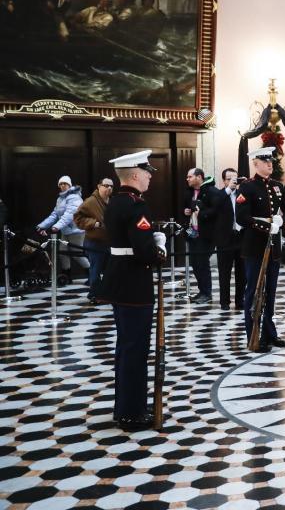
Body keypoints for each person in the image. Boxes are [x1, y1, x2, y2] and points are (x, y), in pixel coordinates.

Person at [95, 150, 165, 431]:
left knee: (125, 347)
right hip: (135, 284)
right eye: (147, 172)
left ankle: (125, 406)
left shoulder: (115, 202)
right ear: (135, 174)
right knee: (135, 349)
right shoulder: (136, 207)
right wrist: (159, 248)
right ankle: (132, 414)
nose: (149, 177)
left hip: (119, 281)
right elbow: (144, 252)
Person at [236, 147, 285, 351]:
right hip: (254, 246)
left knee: (270, 291)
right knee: (253, 292)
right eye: (265, 161)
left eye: (271, 160)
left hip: (274, 246)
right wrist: (267, 225)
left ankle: (270, 334)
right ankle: (253, 335)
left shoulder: (277, 186)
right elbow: (241, 217)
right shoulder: (247, 187)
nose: (270, 163)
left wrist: (281, 221)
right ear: (255, 164)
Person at [36, 175, 90, 279]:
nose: (62, 186)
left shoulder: (75, 197)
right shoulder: (60, 199)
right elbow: (54, 215)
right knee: (62, 253)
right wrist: (41, 226)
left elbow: (69, 215)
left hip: (76, 231)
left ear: (69, 185)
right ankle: (66, 276)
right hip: (66, 231)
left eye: (65, 183)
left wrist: (56, 227)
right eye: (60, 184)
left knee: (76, 254)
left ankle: (92, 274)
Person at [74, 178, 114, 303]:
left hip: (109, 242)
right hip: (94, 242)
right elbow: (77, 217)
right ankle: (94, 294)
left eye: (111, 186)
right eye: (106, 185)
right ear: (99, 186)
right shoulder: (90, 202)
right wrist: (93, 223)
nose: (109, 188)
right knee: (96, 269)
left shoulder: (112, 201)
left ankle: (106, 293)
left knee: (109, 270)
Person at [182, 168, 217, 304]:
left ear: (199, 177)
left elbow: (215, 210)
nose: (188, 179)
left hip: (206, 234)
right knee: (195, 264)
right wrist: (185, 211)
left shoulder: (211, 191)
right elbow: (187, 208)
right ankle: (202, 291)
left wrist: (201, 213)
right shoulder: (189, 192)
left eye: (190, 176)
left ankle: (207, 293)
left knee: (202, 263)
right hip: (193, 233)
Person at [213, 168, 245, 311]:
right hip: (225, 239)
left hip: (240, 237)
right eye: (229, 178)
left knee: (242, 272)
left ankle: (240, 300)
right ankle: (224, 301)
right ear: (224, 181)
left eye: (235, 178)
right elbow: (214, 207)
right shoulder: (218, 194)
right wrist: (228, 190)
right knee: (224, 272)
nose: (233, 181)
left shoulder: (242, 194)